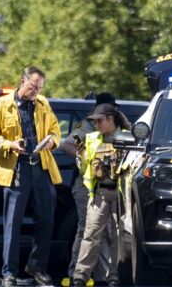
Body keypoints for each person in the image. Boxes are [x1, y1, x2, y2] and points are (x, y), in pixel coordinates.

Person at [0, 66, 62, 287]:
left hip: (40, 167)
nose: (36, 91)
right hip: (16, 169)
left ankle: (37, 266)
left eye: (39, 88)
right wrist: (9, 144)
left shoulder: (43, 103)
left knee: (46, 220)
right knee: (12, 223)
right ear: (22, 81)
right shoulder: (1, 105)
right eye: (32, 86)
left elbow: (55, 130)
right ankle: (9, 273)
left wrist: (52, 141)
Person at [62, 93, 130, 284]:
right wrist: (85, 160)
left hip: (117, 191)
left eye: (101, 119)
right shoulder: (89, 131)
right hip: (93, 190)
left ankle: (109, 277)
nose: (97, 124)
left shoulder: (125, 133)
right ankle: (78, 275)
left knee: (114, 235)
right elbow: (69, 146)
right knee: (88, 233)